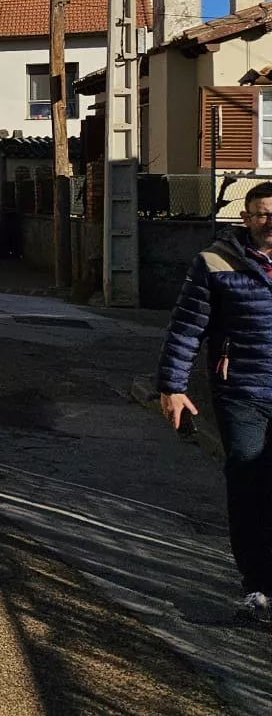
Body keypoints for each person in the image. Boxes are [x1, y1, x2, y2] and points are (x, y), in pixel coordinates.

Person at [160, 183, 272, 623]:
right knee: (249, 481)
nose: (270, 223)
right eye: (262, 214)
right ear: (245, 218)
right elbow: (187, 328)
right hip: (242, 391)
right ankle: (260, 586)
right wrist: (172, 385)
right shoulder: (215, 262)